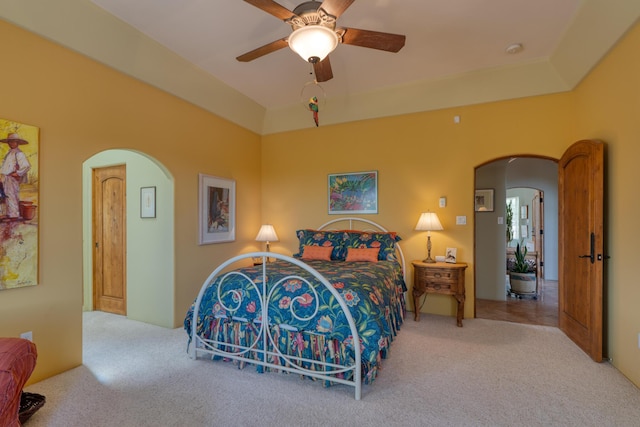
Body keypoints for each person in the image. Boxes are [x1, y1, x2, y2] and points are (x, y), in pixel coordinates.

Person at [0, 133, 31, 219]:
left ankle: (14, 215)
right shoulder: (9, 153)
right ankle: (10, 214)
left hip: (11, 178)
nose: (12, 143)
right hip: (6, 177)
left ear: (17, 143)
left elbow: (26, 166)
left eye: (14, 142)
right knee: (7, 195)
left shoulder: (19, 153)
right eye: (10, 142)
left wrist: (17, 173)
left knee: (12, 195)